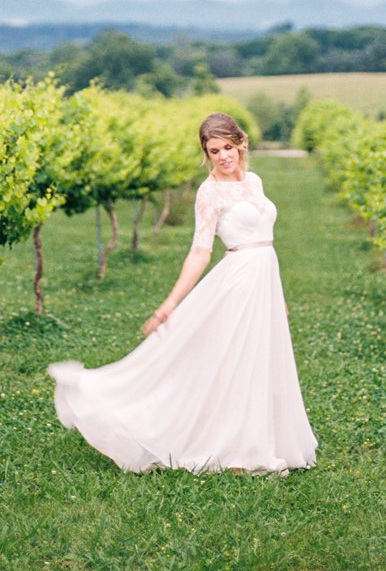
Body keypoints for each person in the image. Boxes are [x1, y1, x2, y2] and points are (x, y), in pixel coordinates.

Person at [47, 112, 318, 474]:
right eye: (213, 151)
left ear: (241, 143)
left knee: (260, 363)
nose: (222, 156)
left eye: (226, 147)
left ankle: (255, 440)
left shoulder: (254, 181)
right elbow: (200, 251)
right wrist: (169, 305)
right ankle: (232, 450)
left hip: (263, 283)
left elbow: (266, 243)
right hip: (237, 284)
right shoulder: (209, 192)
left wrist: (278, 294)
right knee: (232, 364)